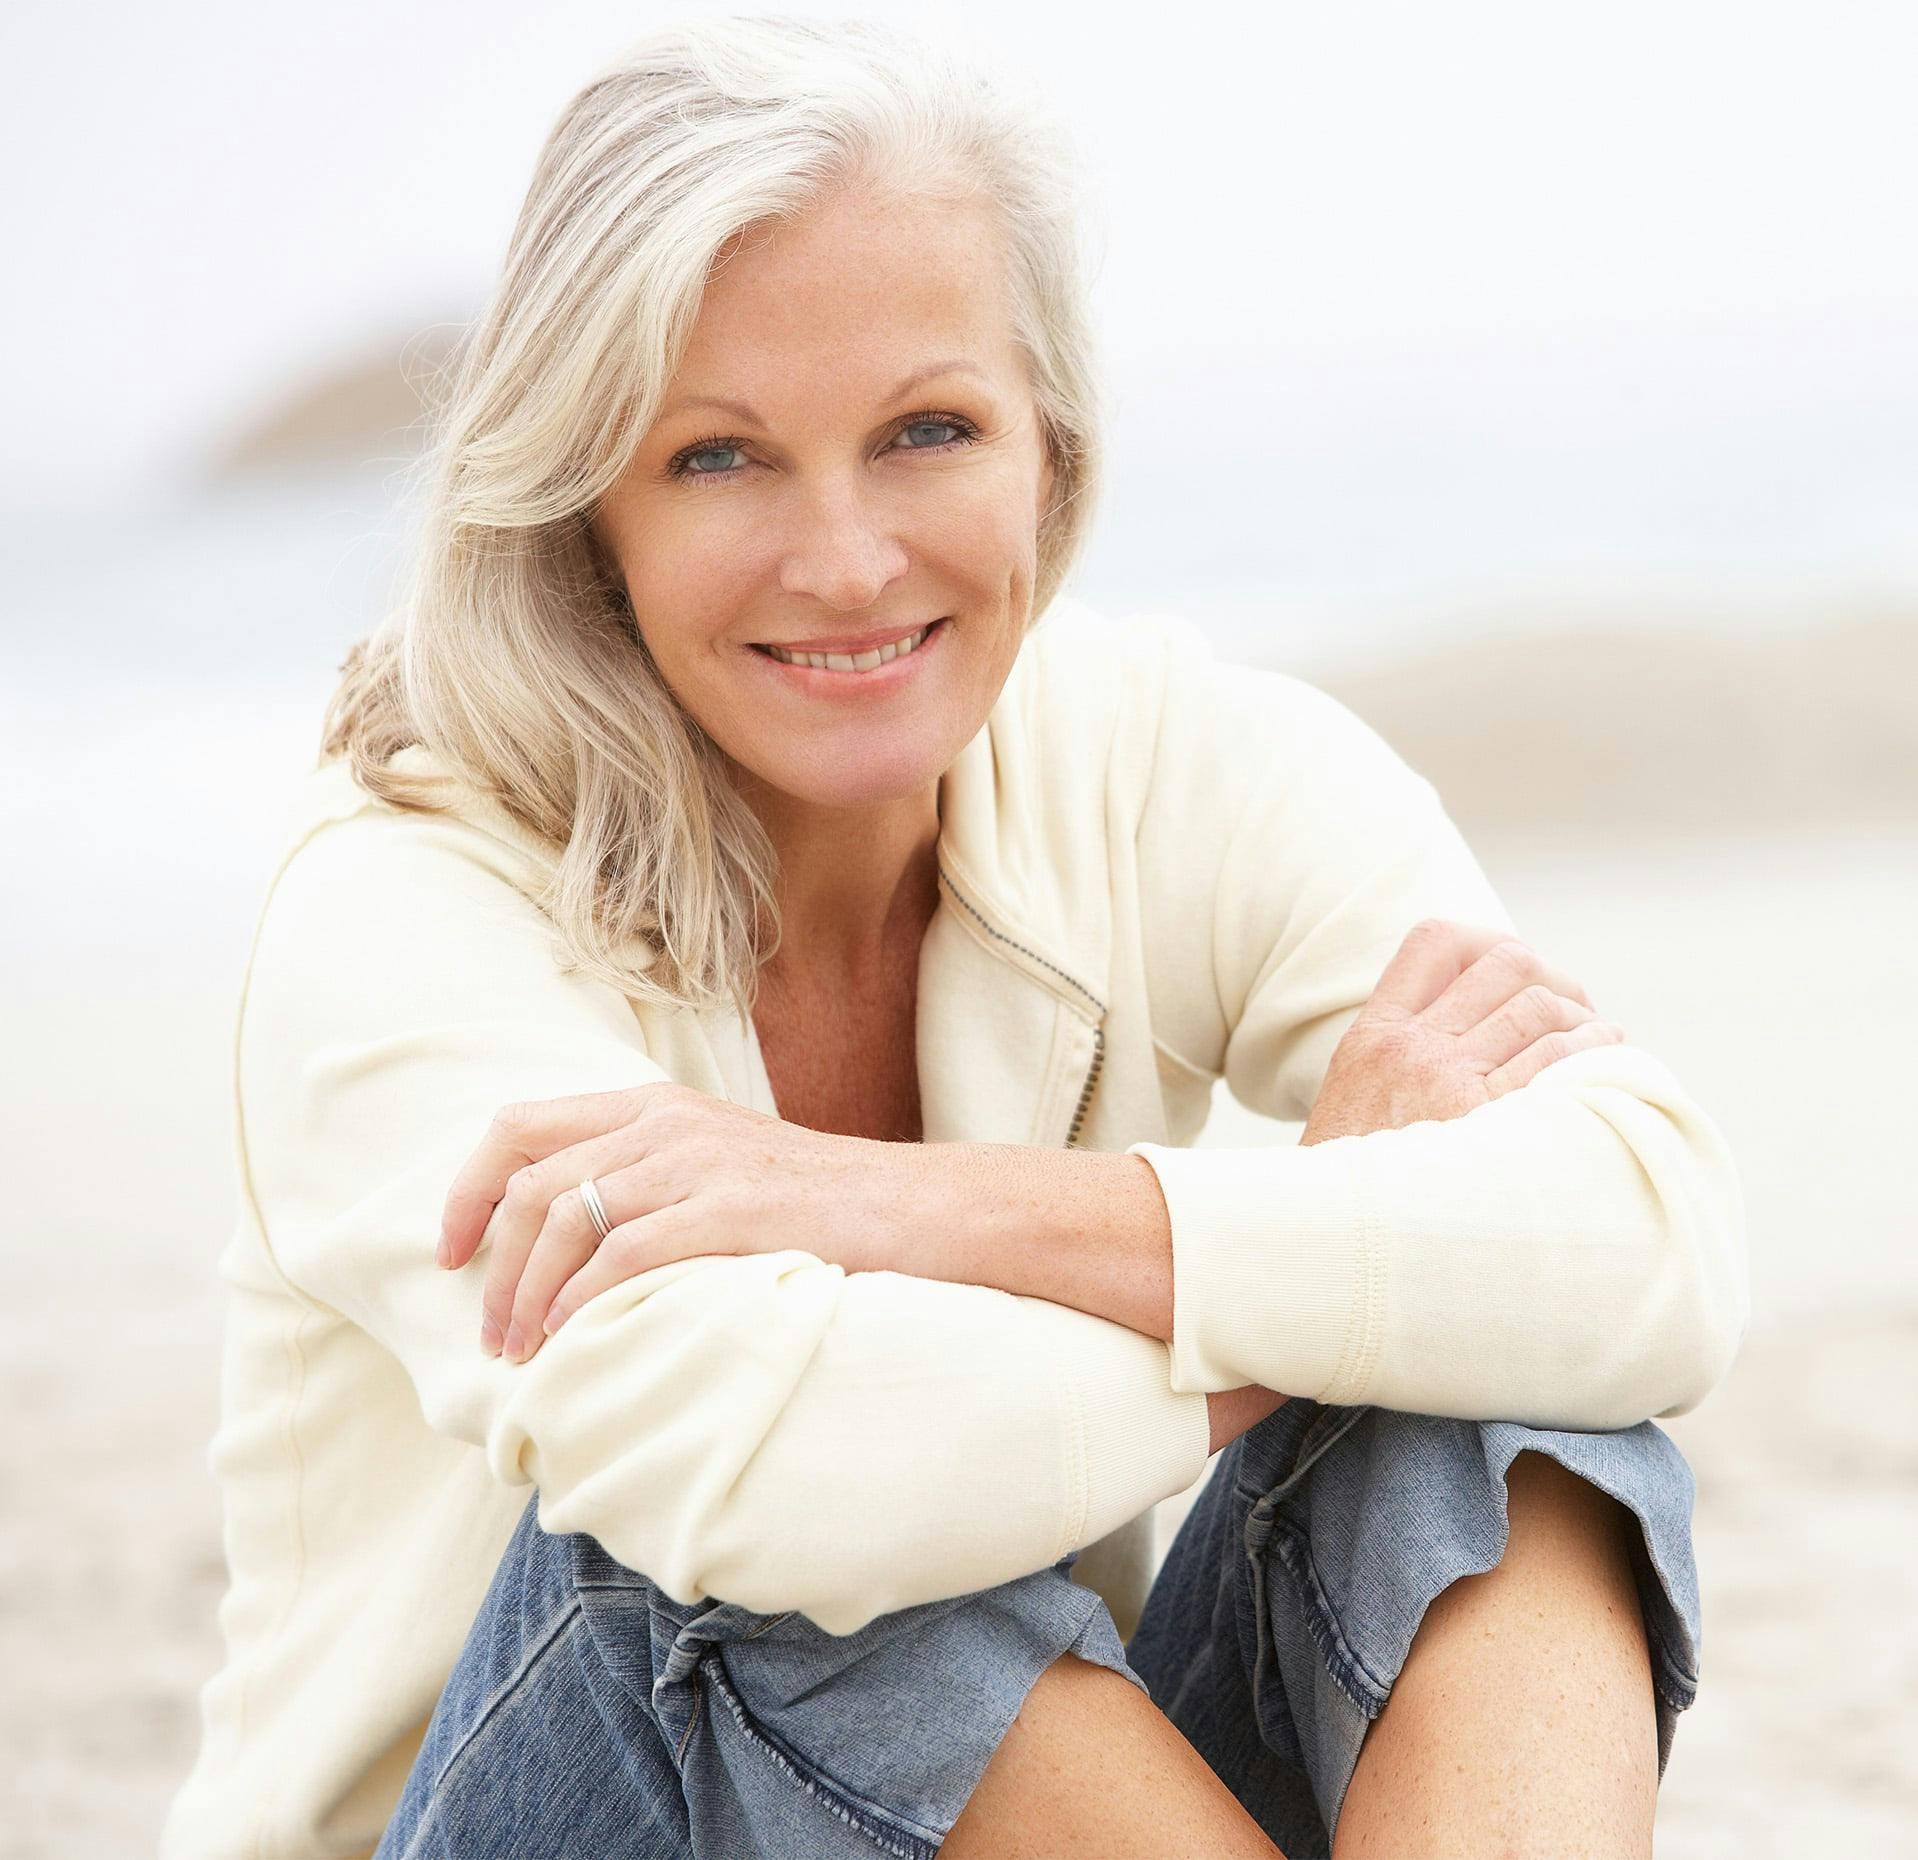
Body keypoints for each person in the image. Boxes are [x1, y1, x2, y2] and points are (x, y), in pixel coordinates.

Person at [160, 17, 1749, 1858]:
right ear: (589, 510)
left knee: (1505, 1422)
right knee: (759, 1550)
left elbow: (1648, 1236)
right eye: (717, 457)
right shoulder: (406, 894)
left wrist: (894, 1207)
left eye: (927, 431)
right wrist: (1326, 1280)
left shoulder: (1164, 757)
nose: (844, 561)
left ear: (1050, 455)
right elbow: (781, 1477)